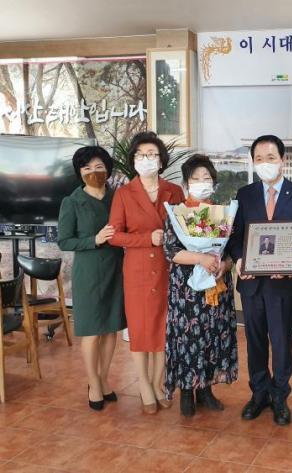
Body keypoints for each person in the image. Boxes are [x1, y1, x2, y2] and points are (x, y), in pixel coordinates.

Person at [228, 134, 292, 426]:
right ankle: (259, 393)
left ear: (283, 161)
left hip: (283, 286)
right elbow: (235, 237)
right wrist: (240, 259)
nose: (265, 163)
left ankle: (279, 396)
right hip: (252, 283)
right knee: (254, 341)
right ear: (253, 162)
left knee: (282, 342)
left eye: (271, 158)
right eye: (259, 159)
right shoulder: (244, 194)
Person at [108, 131, 185, 414]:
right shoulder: (124, 194)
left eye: (152, 154)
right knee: (140, 330)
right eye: (141, 155)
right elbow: (114, 235)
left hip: (168, 268)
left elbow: (184, 229)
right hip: (138, 270)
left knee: (164, 328)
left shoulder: (173, 191)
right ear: (133, 160)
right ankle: (143, 384)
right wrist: (146, 239)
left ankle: (158, 382)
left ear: (161, 160)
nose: (147, 159)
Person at [163, 154, 238, 417]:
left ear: (214, 183)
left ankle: (205, 389)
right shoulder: (177, 213)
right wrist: (201, 258)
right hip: (187, 289)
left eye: (207, 178)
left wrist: (224, 264)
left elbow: (231, 250)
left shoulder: (222, 213)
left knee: (211, 336)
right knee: (188, 337)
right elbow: (170, 251)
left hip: (215, 285)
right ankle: (186, 391)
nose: (202, 182)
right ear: (186, 184)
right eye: (196, 178)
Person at [57, 146, 126, 411]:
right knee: (92, 331)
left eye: (99, 167)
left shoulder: (117, 198)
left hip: (115, 268)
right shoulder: (72, 201)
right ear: (79, 172)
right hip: (88, 272)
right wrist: (93, 239)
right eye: (87, 168)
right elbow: (65, 240)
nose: (93, 172)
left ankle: (104, 378)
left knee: (110, 328)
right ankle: (93, 383)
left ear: (107, 169)